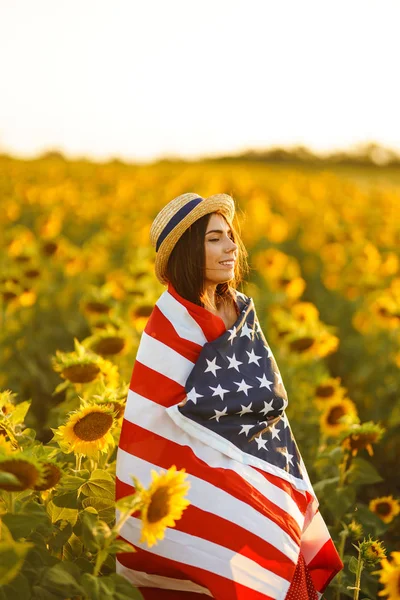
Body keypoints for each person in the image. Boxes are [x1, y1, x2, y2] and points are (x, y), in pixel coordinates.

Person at [115, 192, 343, 600]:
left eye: (230, 236)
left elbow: (269, 402)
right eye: (215, 239)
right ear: (187, 251)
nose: (231, 247)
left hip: (263, 467)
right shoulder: (169, 325)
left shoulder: (240, 309)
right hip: (204, 483)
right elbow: (155, 425)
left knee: (281, 562)